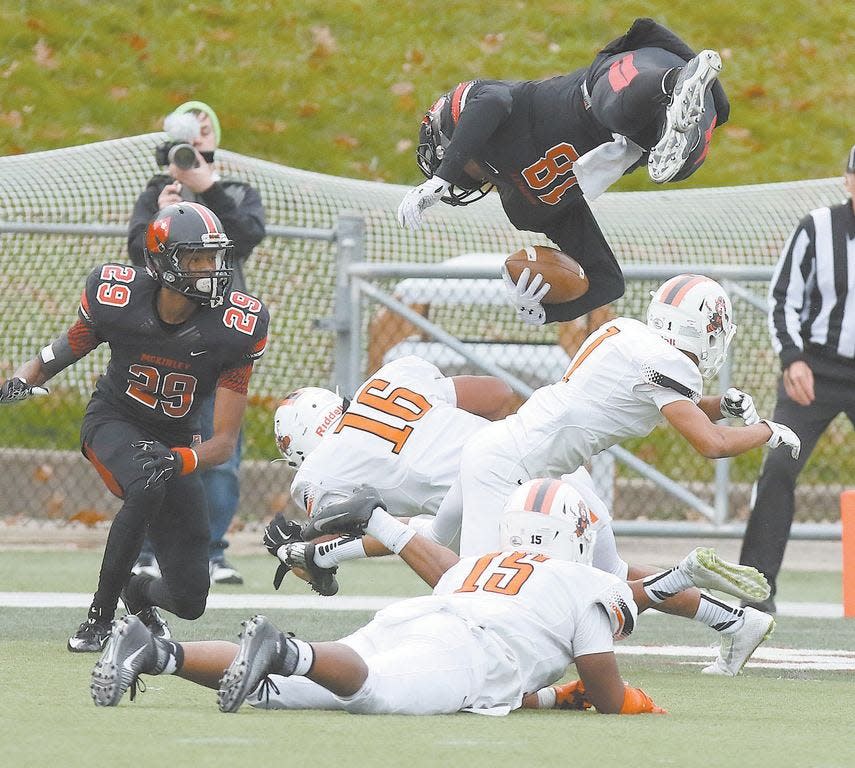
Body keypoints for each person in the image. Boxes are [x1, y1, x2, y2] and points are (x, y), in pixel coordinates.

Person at [267, 337, 778, 676]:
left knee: (482, 595)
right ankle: (735, 621)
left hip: (503, 486)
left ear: (301, 448)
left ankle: (506, 674)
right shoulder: (391, 380)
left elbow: (353, 530)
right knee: (609, 573)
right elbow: (496, 393)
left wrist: (311, 557)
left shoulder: (323, 469)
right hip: (534, 457)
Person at [90, 481, 771, 713]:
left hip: (424, 617)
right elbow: (605, 688)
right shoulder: (584, 582)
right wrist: (631, 703)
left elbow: (435, 561)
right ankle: (287, 647)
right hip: (465, 647)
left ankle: (159, 652)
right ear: (577, 533)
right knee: (373, 692)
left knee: (280, 687)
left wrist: (541, 697)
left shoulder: (483, 563)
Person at [0, 202, 269, 651]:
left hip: (176, 442)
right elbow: (64, 349)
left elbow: (222, 444)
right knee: (146, 482)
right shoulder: (121, 300)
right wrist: (19, 382)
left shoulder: (234, 328)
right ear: (163, 261)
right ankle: (98, 620)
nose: (209, 270)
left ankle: (137, 592)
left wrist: (180, 458)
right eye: (195, 259)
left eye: (214, 258)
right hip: (113, 420)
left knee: (190, 599)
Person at [397, 18, 730, 325]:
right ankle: (674, 125)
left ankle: (677, 86)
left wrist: (443, 175)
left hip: (636, 73)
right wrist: (544, 313)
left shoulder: (483, 103)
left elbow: (492, 104)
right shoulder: (523, 208)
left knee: (611, 111)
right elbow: (607, 283)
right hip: (667, 132)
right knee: (678, 167)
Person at [128, 100, 266, 585]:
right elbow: (134, 251)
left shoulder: (234, 191)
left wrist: (208, 191)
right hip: (166, 340)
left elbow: (248, 235)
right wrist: (162, 218)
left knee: (219, 453)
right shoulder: (156, 193)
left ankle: (212, 551)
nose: (191, 160)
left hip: (219, 341)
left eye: (200, 152)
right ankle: (147, 549)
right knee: (157, 445)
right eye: (184, 152)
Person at [739, 146, 855, 613]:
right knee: (779, 468)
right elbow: (783, 297)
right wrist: (793, 359)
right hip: (817, 370)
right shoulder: (817, 227)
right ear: (848, 181)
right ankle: (755, 588)